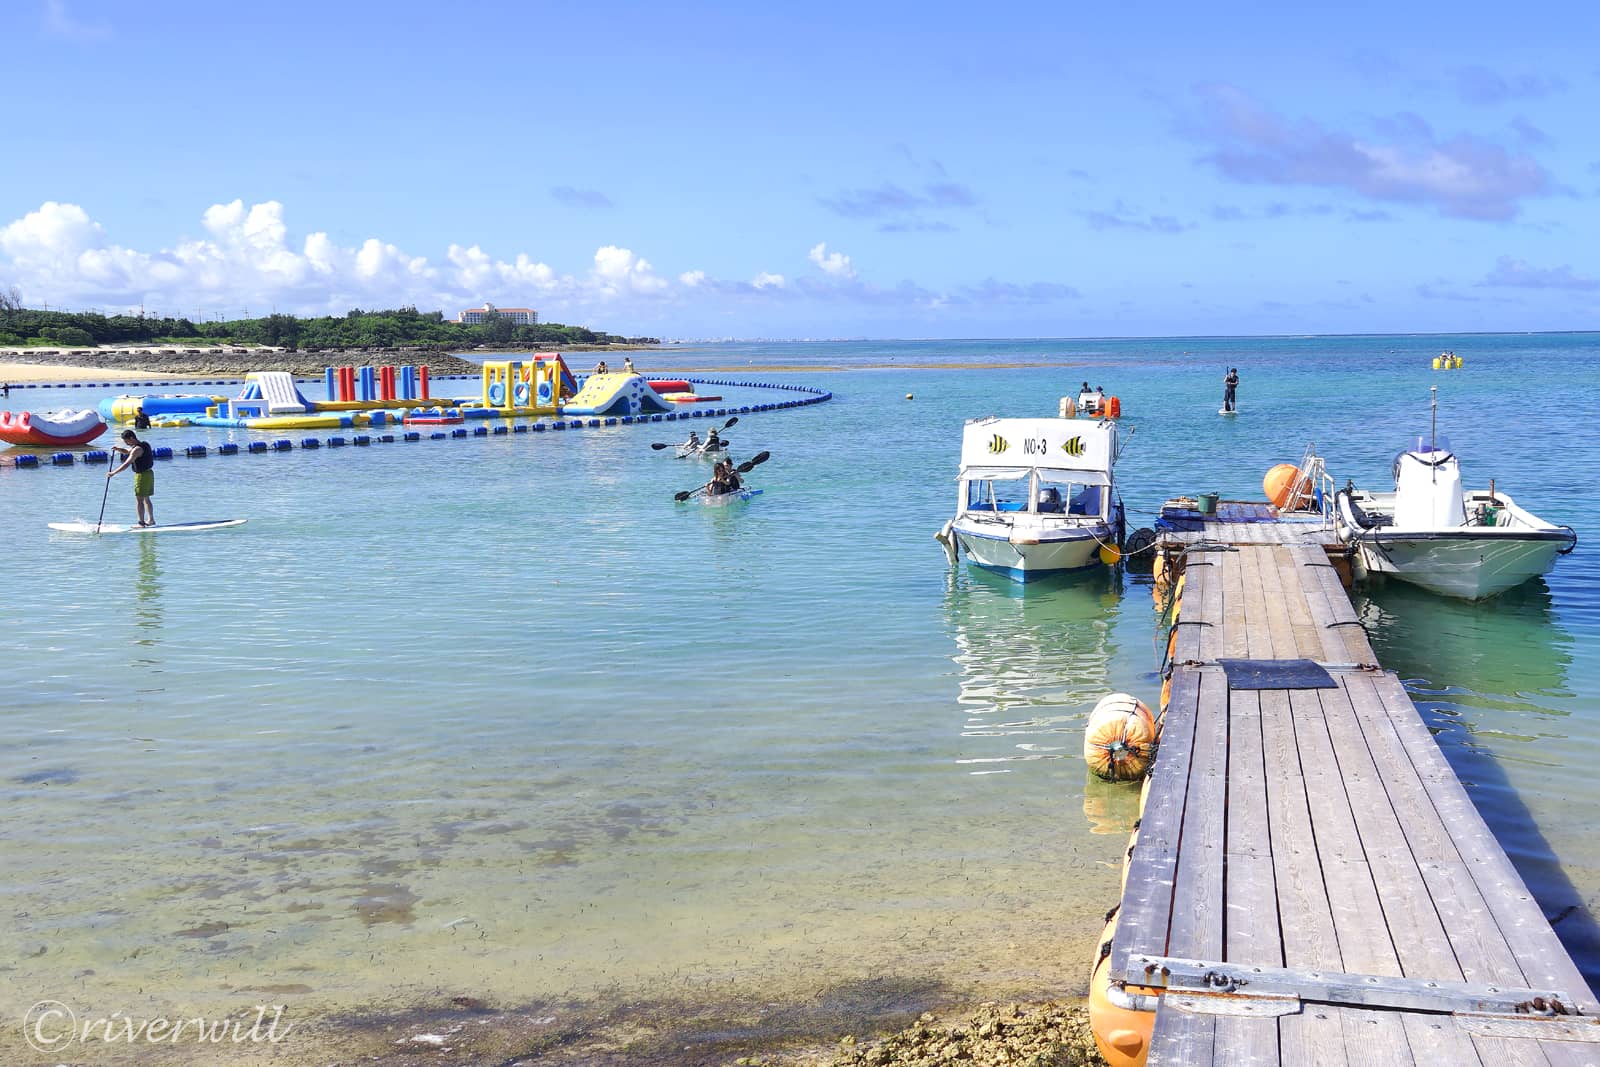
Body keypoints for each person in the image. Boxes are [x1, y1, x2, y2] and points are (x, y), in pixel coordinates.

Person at [108, 429, 156, 527]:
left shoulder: (137, 449)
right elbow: (128, 451)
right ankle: (151, 520)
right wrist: (118, 449)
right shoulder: (144, 444)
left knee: (139, 500)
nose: (126, 443)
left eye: (126, 441)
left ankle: (141, 523)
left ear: (131, 438)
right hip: (149, 474)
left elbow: (127, 463)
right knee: (146, 498)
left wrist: (113, 473)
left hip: (142, 476)